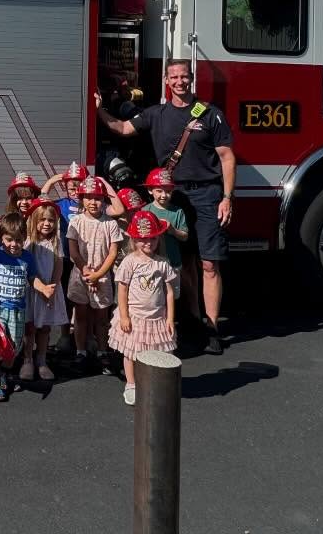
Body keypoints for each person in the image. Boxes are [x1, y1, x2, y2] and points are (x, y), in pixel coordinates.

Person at [95, 59, 236, 353]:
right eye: (174, 77)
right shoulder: (155, 114)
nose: (180, 82)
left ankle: (212, 328)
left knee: (209, 263)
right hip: (170, 197)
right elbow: (122, 128)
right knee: (182, 263)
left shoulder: (211, 115)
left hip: (207, 195)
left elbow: (226, 158)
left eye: (184, 77)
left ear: (191, 79)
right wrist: (98, 109)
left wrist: (226, 197)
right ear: (166, 80)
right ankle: (193, 321)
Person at [109, 210, 180, 406]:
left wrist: (169, 318)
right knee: (131, 352)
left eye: (152, 239)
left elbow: (169, 292)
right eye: (142, 239)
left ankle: (156, 383)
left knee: (159, 352)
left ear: (158, 238)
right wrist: (124, 316)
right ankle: (131, 384)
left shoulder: (163, 263)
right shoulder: (130, 261)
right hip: (135, 316)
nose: (148, 243)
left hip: (157, 318)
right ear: (134, 239)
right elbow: (121, 290)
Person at [0, 212, 49, 402]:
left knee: (14, 347)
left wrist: (42, 287)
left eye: (18, 240)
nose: (13, 244)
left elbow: (32, 278)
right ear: (1, 238)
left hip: (18, 309)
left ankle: (4, 373)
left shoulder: (27, 258)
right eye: (9, 239)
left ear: (24, 239)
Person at [66, 176, 121, 376]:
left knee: (101, 317)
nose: (93, 202)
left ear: (103, 200)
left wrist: (98, 274)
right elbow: (73, 251)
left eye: (97, 198)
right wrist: (86, 271)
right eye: (88, 197)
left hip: (103, 277)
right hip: (80, 276)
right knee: (80, 315)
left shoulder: (110, 224)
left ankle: (102, 351)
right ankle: (80, 351)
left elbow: (113, 252)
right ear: (81, 199)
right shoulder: (76, 222)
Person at [23, 199, 67, 382]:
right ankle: (27, 360)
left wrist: (52, 288)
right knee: (30, 327)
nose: (47, 223)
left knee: (45, 328)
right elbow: (25, 268)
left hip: (50, 290)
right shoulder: (28, 242)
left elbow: (59, 266)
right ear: (34, 220)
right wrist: (40, 287)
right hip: (32, 291)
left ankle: (41, 360)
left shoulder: (56, 242)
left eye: (50, 220)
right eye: (42, 220)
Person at [143, 168, 192, 318]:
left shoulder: (177, 212)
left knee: (170, 298)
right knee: (152, 298)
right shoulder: (146, 210)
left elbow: (184, 236)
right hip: (150, 264)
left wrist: (172, 230)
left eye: (168, 191)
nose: (164, 195)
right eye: (159, 190)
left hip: (172, 262)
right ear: (150, 191)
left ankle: (169, 327)